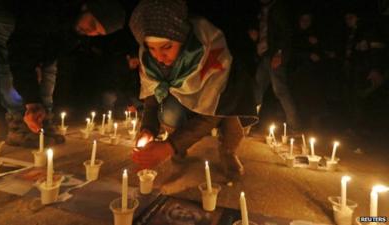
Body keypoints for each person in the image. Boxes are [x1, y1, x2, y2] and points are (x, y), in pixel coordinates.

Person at [129, 0, 257, 179]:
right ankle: (180, 146)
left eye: (166, 47)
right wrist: (148, 130)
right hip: (185, 104)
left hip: (222, 105)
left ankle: (228, 151)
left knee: (230, 111)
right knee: (168, 112)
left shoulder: (210, 52)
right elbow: (152, 100)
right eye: (152, 48)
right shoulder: (149, 62)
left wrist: (169, 147)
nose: (159, 56)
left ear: (181, 40)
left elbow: (212, 114)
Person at [0, 0, 125, 147]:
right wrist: (32, 101)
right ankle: (18, 125)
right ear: (85, 7)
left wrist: (40, 64)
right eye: (92, 24)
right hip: (9, 9)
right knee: (9, 61)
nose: (91, 32)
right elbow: (21, 52)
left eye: (98, 33)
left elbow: (50, 56)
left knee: (48, 65)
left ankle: (41, 120)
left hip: (40, 26)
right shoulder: (50, 9)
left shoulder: (74, 32)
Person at [250, 0, 301, 132]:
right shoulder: (262, 11)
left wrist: (279, 53)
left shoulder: (278, 9)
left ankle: (294, 126)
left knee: (280, 89)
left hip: (274, 55)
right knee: (258, 88)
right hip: (265, 55)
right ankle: (250, 122)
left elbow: (286, 33)